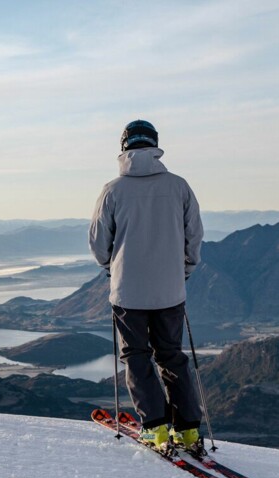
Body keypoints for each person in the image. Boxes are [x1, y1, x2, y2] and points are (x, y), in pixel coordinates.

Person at [88, 119, 205, 452]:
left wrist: (112, 268)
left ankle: (155, 428)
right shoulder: (179, 186)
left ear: (124, 147)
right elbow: (194, 237)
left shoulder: (112, 190)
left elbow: (98, 243)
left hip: (128, 294)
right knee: (172, 356)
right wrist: (184, 270)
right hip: (170, 291)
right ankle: (188, 431)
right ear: (155, 146)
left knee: (137, 358)